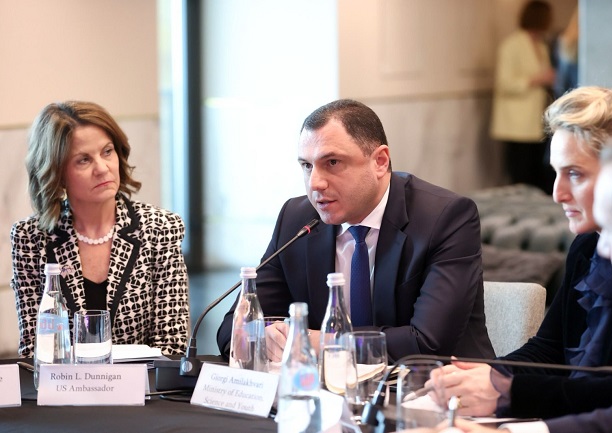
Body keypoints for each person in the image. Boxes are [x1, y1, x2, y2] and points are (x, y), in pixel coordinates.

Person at [217, 99, 495, 363]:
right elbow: (232, 329)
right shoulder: (297, 219)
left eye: (332, 163)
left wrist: (316, 342)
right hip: (327, 389)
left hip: (438, 388)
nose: (315, 183)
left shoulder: (445, 218)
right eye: (307, 166)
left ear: (380, 161)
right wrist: (261, 337)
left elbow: (426, 343)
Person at [430, 87, 612, 420]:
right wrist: (487, 375)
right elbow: (549, 349)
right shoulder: (587, 245)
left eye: (574, 173)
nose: (557, 193)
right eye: (556, 172)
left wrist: (508, 391)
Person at [11, 101, 190, 357]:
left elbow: (172, 347)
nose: (102, 168)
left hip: (143, 381)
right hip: (64, 382)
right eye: (84, 160)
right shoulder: (30, 237)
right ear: (57, 173)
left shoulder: (160, 228)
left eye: (107, 152)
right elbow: (33, 349)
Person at [490, 0, 556, 194]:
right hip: (517, 123)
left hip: (537, 120)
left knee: (538, 173)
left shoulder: (541, 46)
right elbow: (504, 83)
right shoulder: (511, 45)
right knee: (521, 174)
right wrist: (536, 79)